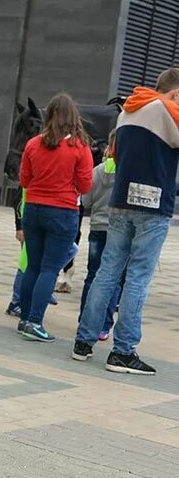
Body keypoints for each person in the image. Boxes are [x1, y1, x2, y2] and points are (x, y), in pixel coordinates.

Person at [73, 69, 179, 375]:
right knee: (137, 279)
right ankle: (123, 351)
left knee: (107, 274)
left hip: (119, 202)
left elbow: (116, 156)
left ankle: (84, 342)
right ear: (174, 94)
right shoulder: (165, 110)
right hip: (153, 206)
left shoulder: (127, 112)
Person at [17, 92, 92, 342]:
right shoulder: (79, 148)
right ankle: (36, 322)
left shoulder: (33, 144)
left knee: (33, 266)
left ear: (48, 116)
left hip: (34, 210)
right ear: (73, 118)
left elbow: (25, 180)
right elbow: (85, 185)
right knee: (50, 268)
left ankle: (24, 318)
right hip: (62, 212)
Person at [78, 130, 123, 343]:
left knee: (92, 276)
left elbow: (84, 201)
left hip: (97, 229)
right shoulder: (128, 171)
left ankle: (84, 320)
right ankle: (104, 326)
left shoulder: (98, 170)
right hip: (119, 232)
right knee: (113, 280)